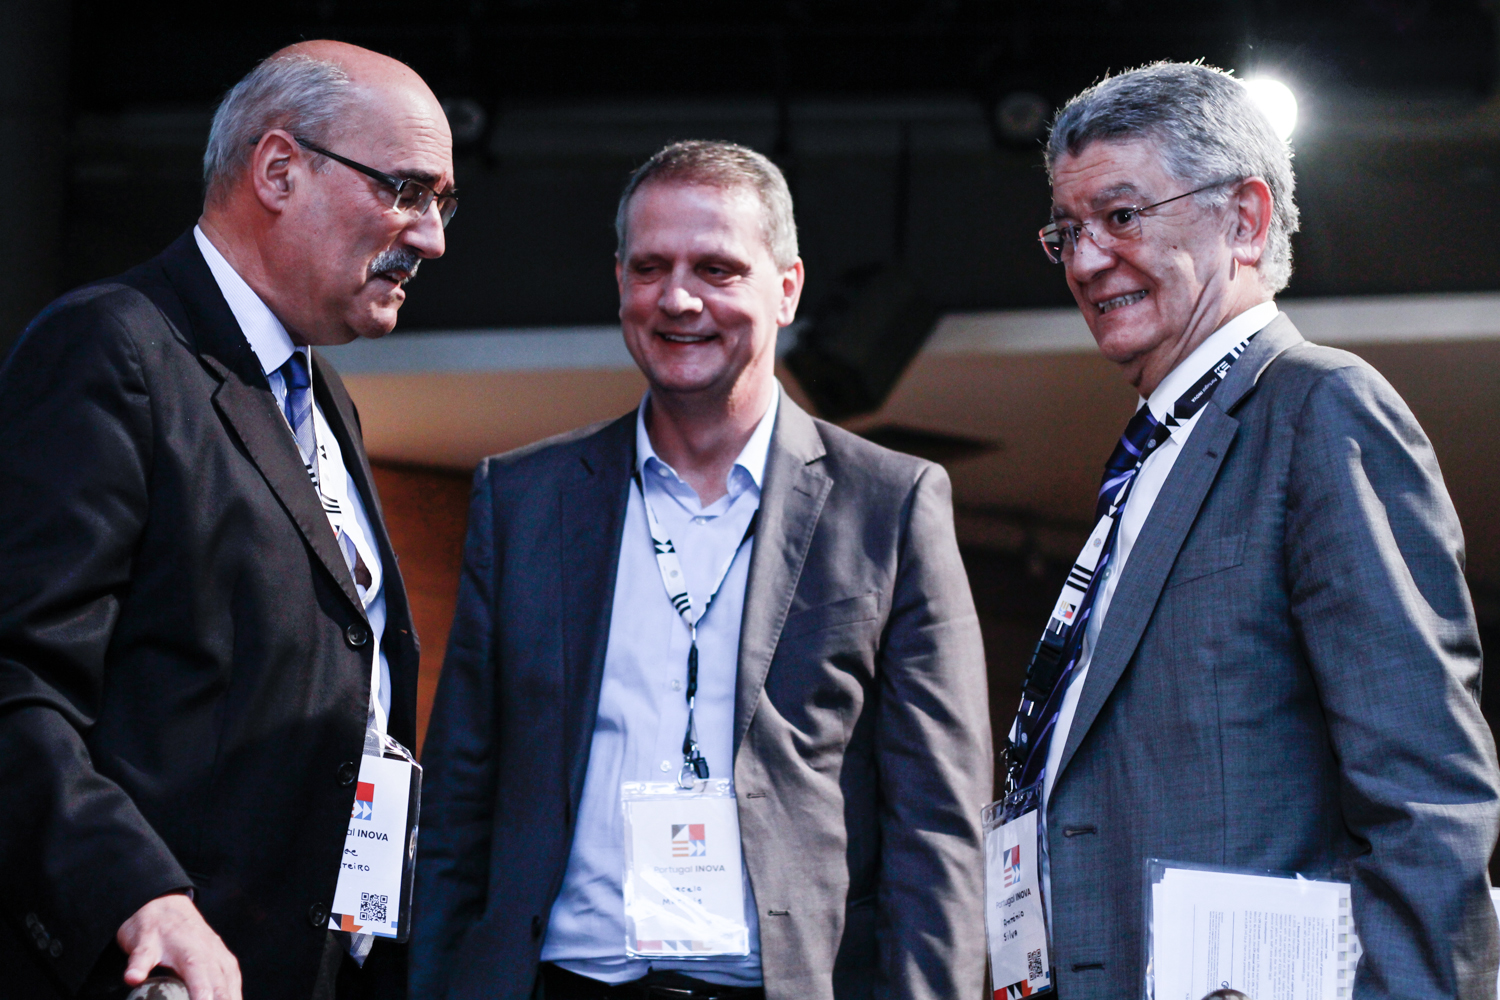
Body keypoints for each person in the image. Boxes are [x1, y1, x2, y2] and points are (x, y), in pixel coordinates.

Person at [412, 140, 991, 1000]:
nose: (678, 299)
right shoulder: (523, 499)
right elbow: (459, 806)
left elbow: (937, 824)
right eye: (651, 268)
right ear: (620, 282)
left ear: (787, 288)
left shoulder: (891, 505)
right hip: (558, 983)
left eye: (716, 269)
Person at [1004, 61, 1500, 998]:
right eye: (1067, 231)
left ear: (1245, 219)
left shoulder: (1319, 408)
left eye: (1121, 216)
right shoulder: (1155, 453)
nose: (1085, 261)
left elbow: (1426, 789)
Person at [0, 41, 456, 1000]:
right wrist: (137, 894)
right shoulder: (113, 348)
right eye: (408, 191)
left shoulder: (321, 397)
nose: (430, 238)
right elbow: (18, 677)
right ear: (279, 170)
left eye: (443, 204)